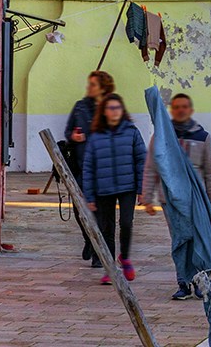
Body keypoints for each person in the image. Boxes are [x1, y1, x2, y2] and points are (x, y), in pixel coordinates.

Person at [142, 92, 211, 299]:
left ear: (190, 110)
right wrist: (147, 196)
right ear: (171, 110)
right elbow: (151, 167)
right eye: (176, 107)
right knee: (179, 240)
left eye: (184, 106)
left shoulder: (202, 137)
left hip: (196, 200)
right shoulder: (161, 138)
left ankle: (198, 279)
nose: (180, 110)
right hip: (170, 200)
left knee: (198, 240)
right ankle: (183, 282)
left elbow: (210, 171)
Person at [83, 92, 147, 283]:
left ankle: (125, 257)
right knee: (106, 228)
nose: (114, 112)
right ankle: (110, 268)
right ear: (104, 112)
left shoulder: (132, 132)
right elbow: (88, 167)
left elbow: (141, 160)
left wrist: (142, 188)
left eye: (117, 108)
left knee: (126, 222)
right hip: (104, 189)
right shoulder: (96, 137)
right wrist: (89, 195)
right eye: (110, 108)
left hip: (127, 187)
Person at [63, 70, 115, 266]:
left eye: (93, 85)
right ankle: (88, 239)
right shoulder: (80, 107)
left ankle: (98, 254)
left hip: (103, 168)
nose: (88, 88)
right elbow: (68, 131)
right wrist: (73, 137)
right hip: (81, 166)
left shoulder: (111, 109)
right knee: (80, 209)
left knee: (101, 211)